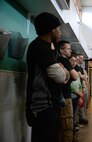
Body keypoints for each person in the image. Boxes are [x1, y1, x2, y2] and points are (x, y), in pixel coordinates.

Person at [25, 12, 70, 142]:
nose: (60, 32)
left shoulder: (47, 48)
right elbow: (61, 77)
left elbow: (62, 74)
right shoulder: (39, 47)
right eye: (59, 29)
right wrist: (64, 72)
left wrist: (63, 72)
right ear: (52, 29)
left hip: (49, 106)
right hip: (44, 108)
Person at [57, 40, 78, 142]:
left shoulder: (57, 59)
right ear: (61, 50)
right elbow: (75, 76)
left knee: (60, 126)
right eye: (68, 48)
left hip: (59, 95)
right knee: (67, 125)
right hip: (65, 96)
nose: (70, 50)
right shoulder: (64, 60)